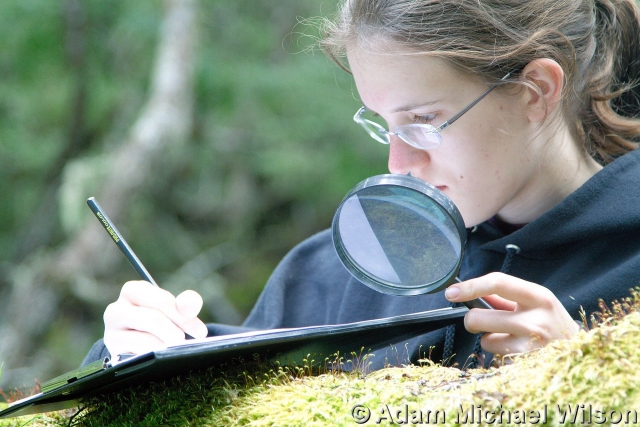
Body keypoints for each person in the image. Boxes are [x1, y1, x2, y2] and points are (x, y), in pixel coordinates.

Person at [83, 0, 640, 370]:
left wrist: (586, 376)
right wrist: (134, 352)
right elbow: (207, 379)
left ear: (536, 91)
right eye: (384, 125)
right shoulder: (330, 273)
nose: (397, 162)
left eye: (423, 124)